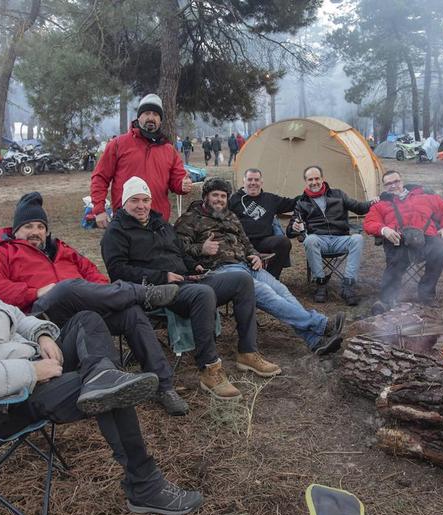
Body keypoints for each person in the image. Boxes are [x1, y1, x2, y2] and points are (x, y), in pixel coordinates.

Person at [0, 224, 203, 515]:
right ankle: (144, 486)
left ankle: (101, 375)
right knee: (114, 394)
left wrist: (40, 334)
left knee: (87, 321)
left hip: (20, 368)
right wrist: (32, 372)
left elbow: (14, 315)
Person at [0, 192, 189, 416]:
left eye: (40, 226)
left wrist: (99, 294)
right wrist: (36, 291)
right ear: (16, 229)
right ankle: (142, 293)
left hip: (84, 315)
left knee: (131, 313)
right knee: (66, 288)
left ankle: (164, 387)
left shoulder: (62, 249)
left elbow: (93, 274)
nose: (35, 232)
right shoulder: (0, 253)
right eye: (28, 226)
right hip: (41, 320)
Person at [101, 178, 279, 401]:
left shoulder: (160, 224)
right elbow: (117, 271)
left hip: (185, 280)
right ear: (124, 202)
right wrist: (161, 276)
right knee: (203, 294)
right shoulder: (116, 232)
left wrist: (193, 265)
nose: (141, 205)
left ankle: (247, 352)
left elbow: (178, 253)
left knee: (242, 279)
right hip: (153, 291)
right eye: (134, 200)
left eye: (145, 200)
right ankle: (209, 369)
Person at [175, 178, 345, 357]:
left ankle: (314, 341)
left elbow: (246, 242)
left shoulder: (230, 216)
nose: (219, 199)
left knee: (282, 291)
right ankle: (321, 324)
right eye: (215, 195)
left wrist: (254, 255)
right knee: (268, 294)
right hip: (222, 272)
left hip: (246, 265)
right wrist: (201, 249)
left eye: (223, 196)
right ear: (205, 197)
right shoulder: (189, 219)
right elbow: (177, 249)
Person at [91, 93, 194, 226]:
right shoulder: (118, 144)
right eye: (147, 113)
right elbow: (100, 177)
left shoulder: (168, 149)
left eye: (156, 114)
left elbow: (177, 180)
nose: (151, 117)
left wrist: (182, 185)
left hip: (157, 222)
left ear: (160, 120)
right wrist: (99, 210)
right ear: (139, 116)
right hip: (125, 221)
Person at [363, 170, 443, 311]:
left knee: (441, 251)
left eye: (396, 181)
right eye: (388, 183)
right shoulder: (380, 205)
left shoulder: (425, 197)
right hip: (398, 240)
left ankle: (426, 294)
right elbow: (369, 223)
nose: (393, 186)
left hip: (426, 239)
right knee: (396, 258)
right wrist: (384, 230)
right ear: (384, 187)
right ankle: (387, 300)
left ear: (402, 181)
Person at [286, 166, 372, 306]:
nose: (314, 182)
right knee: (310, 239)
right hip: (319, 241)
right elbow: (289, 232)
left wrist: (374, 202)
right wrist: (294, 228)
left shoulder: (338, 194)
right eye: (310, 179)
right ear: (305, 182)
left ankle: (348, 285)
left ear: (322, 178)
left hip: (340, 238)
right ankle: (321, 284)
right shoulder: (302, 203)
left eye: (317, 178)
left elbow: (358, 208)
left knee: (358, 238)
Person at [228, 168, 296, 279]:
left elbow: (292, 203)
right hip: (242, 243)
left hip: (263, 241)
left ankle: (271, 278)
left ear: (261, 182)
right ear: (244, 181)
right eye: (250, 180)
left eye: (256, 180)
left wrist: (309, 194)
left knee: (283, 242)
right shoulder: (234, 200)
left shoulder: (270, 199)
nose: (253, 183)